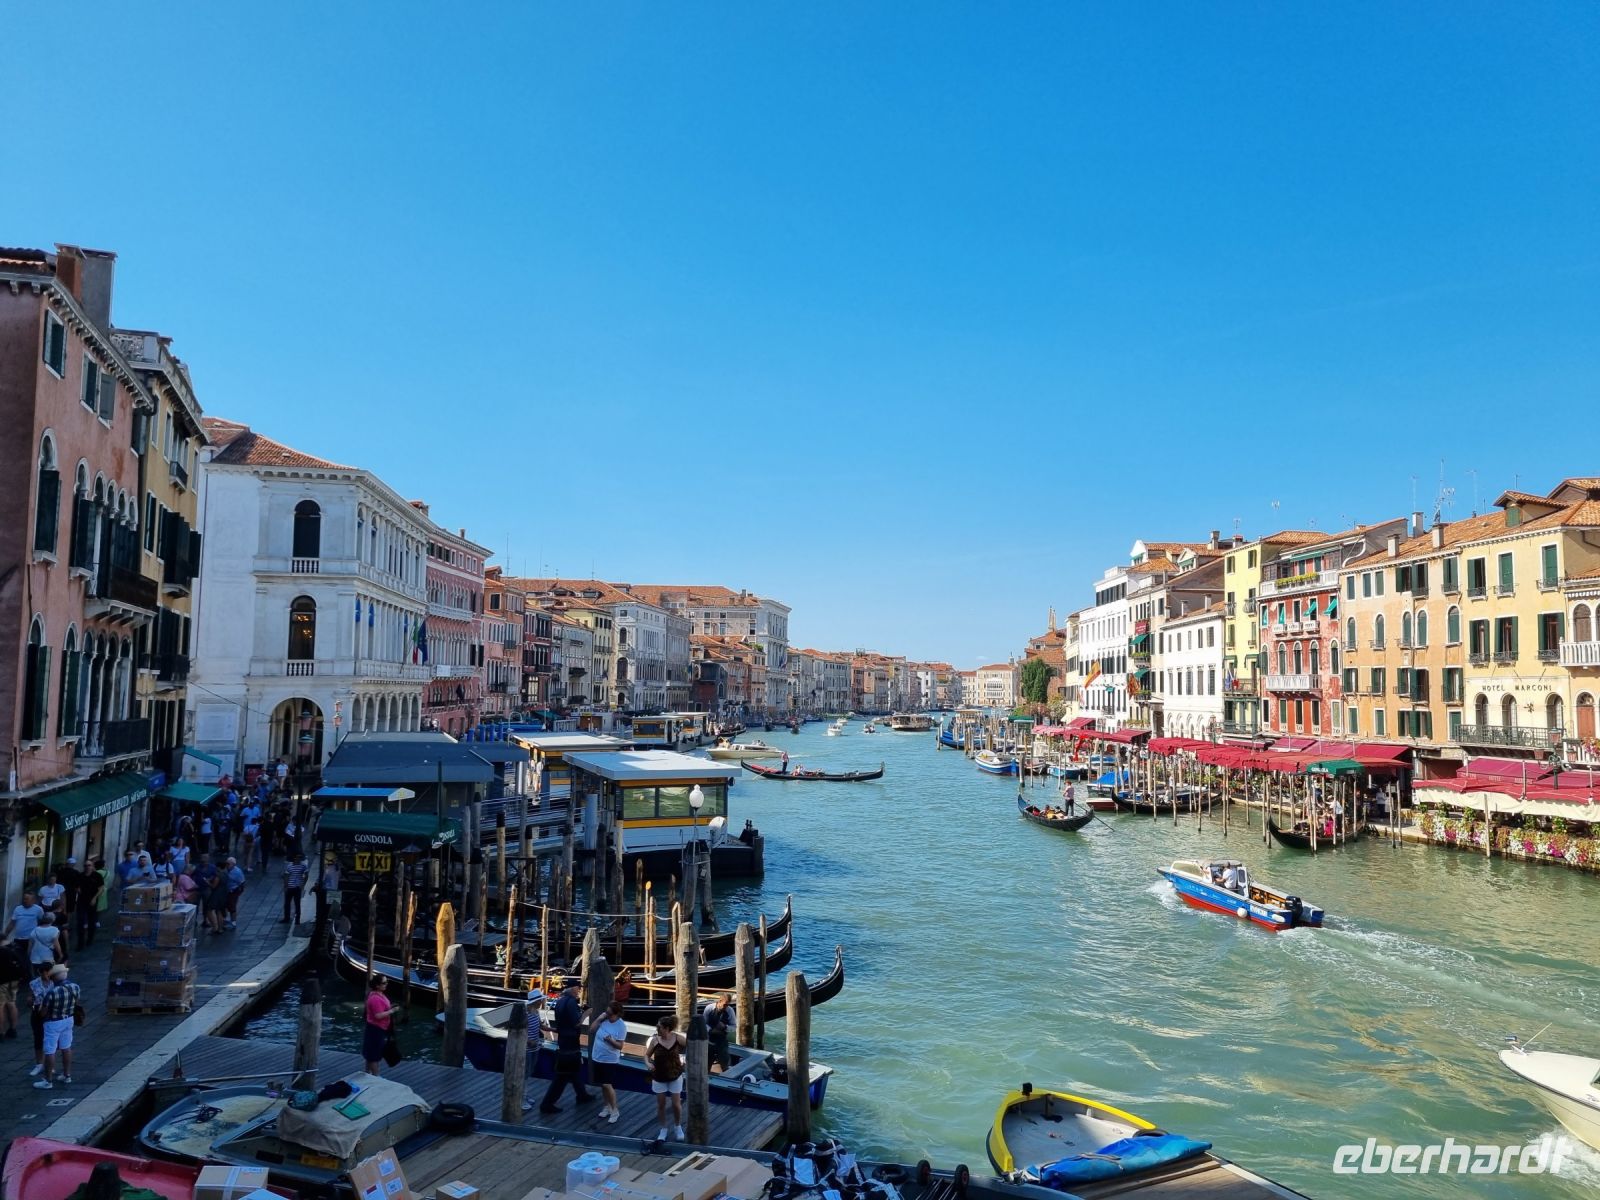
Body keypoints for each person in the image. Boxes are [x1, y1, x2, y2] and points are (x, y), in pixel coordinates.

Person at [534, 979, 594, 1114]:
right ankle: (547, 1104)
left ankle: (582, 1095)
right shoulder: (571, 1002)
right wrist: (587, 1013)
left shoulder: (560, 1001)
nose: (579, 990)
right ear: (573, 989)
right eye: (578, 988)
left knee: (573, 1071)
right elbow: (576, 1023)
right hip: (570, 1042)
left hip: (563, 1040)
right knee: (563, 1075)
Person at [33, 963, 80, 1089]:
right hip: (69, 1019)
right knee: (66, 1047)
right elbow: (76, 1002)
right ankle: (67, 1075)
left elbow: (43, 1012)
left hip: (53, 1023)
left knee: (50, 1050)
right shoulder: (75, 987)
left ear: (54, 977)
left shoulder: (52, 992)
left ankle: (48, 1081)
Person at [645, 1014, 686, 1142]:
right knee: (661, 1104)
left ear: (667, 1028)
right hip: (659, 1076)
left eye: (660, 1027)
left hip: (675, 1075)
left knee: (676, 1104)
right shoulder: (655, 1040)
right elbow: (646, 1056)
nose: (658, 1029)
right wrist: (648, 1063)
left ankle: (677, 1126)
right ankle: (663, 1128)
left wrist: (685, 1061)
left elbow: (692, 1047)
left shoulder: (678, 1038)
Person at [590, 1000, 628, 1124]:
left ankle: (615, 1110)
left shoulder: (621, 1026)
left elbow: (620, 1046)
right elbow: (591, 1030)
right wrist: (599, 1019)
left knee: (607, 1084)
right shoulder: (604, 1019)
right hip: (597, 1056)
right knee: (602, 1084)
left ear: (615, 1013)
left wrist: (611, 1041)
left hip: (609, 1059)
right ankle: (606, 1106)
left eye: (609, 1011)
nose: (606, 1012)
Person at [363, 976, 394, 1074]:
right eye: (384, 983)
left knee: (371, 1052)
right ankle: (376, 1076)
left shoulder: (379, 994)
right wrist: (391, 1011)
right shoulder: (375, 999)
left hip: (379, 1028)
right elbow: (378, 1015)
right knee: (374, 1054)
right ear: (377, 985)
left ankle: (367, 1073)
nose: (386, 984)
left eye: (386, 982)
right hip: (375, 1029)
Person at [5, 891, 46, 965]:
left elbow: (42, 923)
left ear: (33, 900)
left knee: (30, 958)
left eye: (27, 899)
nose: (25, 901)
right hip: (18, 938)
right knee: (18, 958)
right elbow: (12, 923)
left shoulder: (38, 909)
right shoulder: (18, 909)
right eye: (24, 899)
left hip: (31, 939)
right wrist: (5, 935)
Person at [26, 961, 52, 1077]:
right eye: (43, 973)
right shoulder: (34, 983)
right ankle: (39, 1064)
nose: (46, 975)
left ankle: (50, 1065)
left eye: (47, 972)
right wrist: (30, 1000)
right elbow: (30, 996)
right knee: (38, 1038)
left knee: (50, 1039)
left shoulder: (54, 982)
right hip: (37, 1012)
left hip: (50, 1011)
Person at [73, 865, 102, 951]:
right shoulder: (80, 875)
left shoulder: (97, 876)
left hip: (92, 901)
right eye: (85, 865)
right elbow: (76, 886)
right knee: (80, 922)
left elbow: (101, 888)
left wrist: (94, 898)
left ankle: (90, 939)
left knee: (91, 921)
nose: (87, 867)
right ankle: (80, 943)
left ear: (92, 867)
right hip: (82, 901)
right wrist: (78, 890)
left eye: (89, 865)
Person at [702, 992, 733, 1072]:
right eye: (725, 1005)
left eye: (728, 1005)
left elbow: (734, 1027)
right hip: (709, 1041)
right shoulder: (709, 1008)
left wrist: (725, 1027)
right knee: (706, 1064)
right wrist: (711, 1030)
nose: (726, 1007)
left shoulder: (730, 1011)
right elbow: (703, 1023)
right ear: (719, 1001)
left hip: (722, 1041)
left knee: (725, 1063)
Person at [0, 939, 21, 1038]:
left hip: (1, 982)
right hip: (13, 980)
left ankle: (1, 1032)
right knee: (12, 1003)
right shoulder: (9, 951)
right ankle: (13, 1029)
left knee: (1, 1006)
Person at [281, 854, 308, 925]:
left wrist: (302, 885)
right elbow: (286, 876)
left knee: (297, 904)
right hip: (290, 887)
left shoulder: (303, 866)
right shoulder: (290, 866)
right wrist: (286, 886)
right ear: (294, 859)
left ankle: (297, 920)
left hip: (297, 888)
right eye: (297, 858)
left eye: (299, 858)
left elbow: (306, 875)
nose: (298, 859)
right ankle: (287, 918)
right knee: (287, 904)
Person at [223, 857, 246, 930]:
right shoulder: (226, 870)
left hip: (233, 890)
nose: (227, 865)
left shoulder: (237, 872)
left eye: (228, 864)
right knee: (225, 905)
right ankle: (226, 919)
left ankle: (233, 922)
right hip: (227, 890)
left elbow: (242, 882)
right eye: (226, 863)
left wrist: (240, 892)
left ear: (233, 864)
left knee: (232, 906)